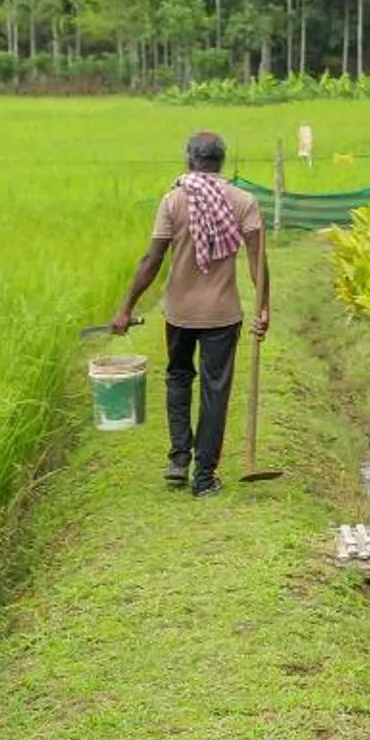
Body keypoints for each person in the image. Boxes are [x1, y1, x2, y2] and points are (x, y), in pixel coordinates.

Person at [108, 130, 269, 495]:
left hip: (179, 313)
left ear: (189, 160)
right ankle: (203, 478)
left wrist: (126, 307)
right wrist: (264, 307)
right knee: (215, 390)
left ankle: (180, 458)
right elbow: (259, 261)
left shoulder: (173, 201)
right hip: (222, 315)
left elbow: (152, 260)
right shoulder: (243, 201)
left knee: (179, 377)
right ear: (222, 161)